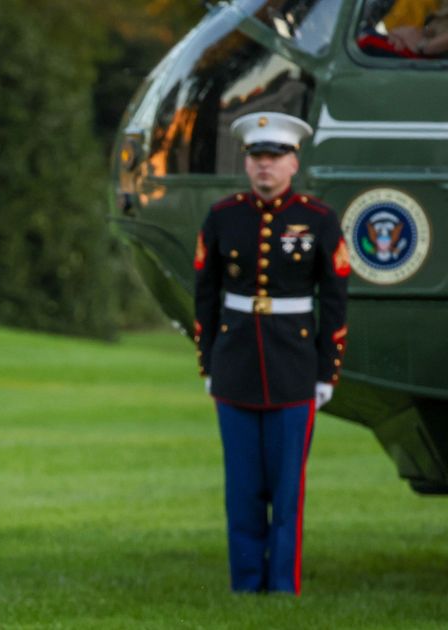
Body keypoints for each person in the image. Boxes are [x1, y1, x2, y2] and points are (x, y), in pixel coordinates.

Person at [192, 111, 349, 595]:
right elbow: (205, 293)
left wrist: (326, 371)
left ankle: (282, 586)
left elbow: (334, 300)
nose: (265, 165)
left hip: (294, 367)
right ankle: (245, 584)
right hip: (235, 364)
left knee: (286, 489)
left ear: (293, 163)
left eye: (276, 157)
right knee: (241, 488)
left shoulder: (319, 219)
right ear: (246, 162)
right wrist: (208, 360)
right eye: (257, 156)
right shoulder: (223, 217)